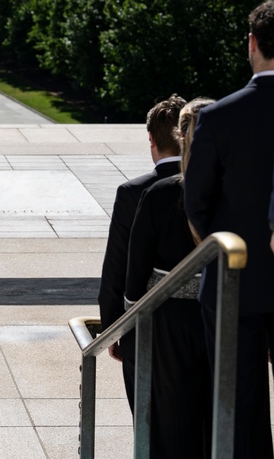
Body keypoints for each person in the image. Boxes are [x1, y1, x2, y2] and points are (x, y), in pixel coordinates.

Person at [185, 0, 274, 459]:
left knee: (240, 408)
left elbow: (196, 205)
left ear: (253, 43)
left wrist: (226, 249)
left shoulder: (219, 117)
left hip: (236, 281)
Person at [125, 98, 213, 459]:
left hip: (168, 320)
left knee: (171, 416)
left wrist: (129, 320)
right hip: (219, 311)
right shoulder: (231, 188)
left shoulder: (160, 193)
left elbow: (136, 269)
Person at [96, 94, 185, 412]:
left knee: (148, 420)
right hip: (202, 323)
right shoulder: (210, 187)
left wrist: (111, 327)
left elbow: (116, 265)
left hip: (143, 324)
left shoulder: (132, 193)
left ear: (151, 138)